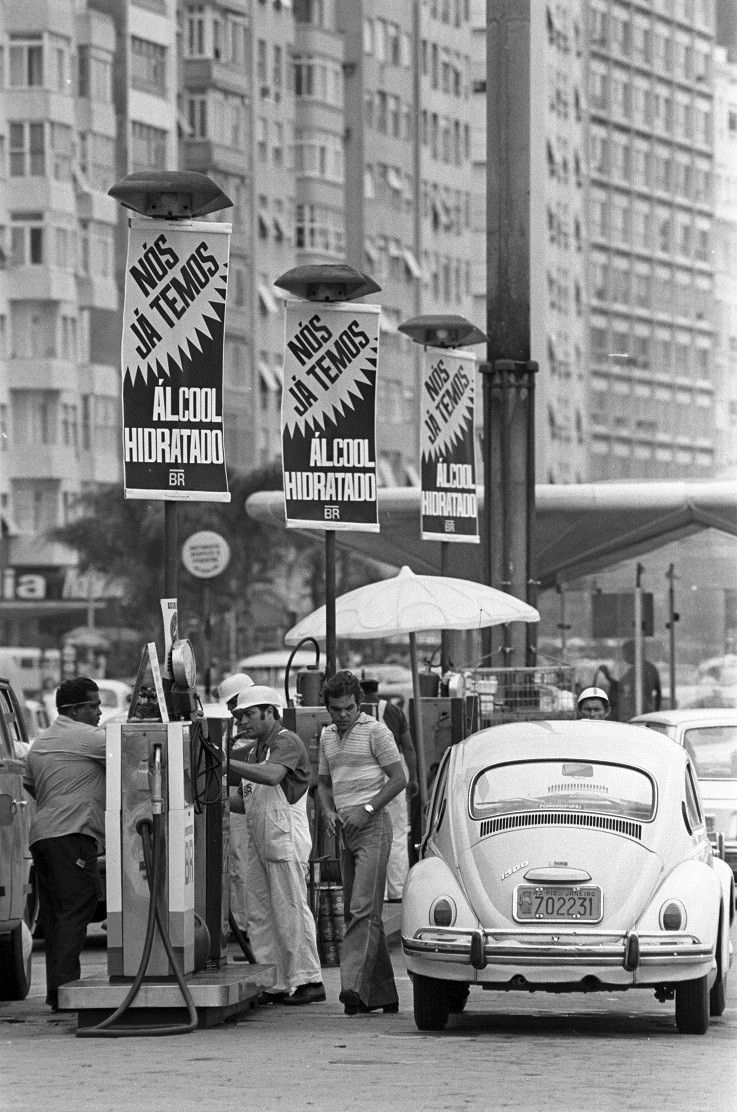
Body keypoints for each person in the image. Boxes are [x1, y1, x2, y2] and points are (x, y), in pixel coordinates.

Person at [228, 685, 325, 1005]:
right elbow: (245, 802)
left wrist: (224, 762)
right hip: (260, 836)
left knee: (290, 908)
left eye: (250, 715)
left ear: (270, 712)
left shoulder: (286, 741)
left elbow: (271, 777)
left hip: (284, 835)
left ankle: (308, 978)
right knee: (260, 912)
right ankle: (274, 980)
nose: (243, 722)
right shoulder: (256, 749)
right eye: (240, 716)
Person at [318, 670, 407, 1016]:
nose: (343, 715)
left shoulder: (376, 731)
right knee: (364, 911)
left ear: (359, 704)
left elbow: (400, 778)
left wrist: (368, 808)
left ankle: (351, 986)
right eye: (337, 709)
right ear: (327, 708)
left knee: (360, 908)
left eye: (349, 708)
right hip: (344, 829)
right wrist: (327, 810)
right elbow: (323, 783)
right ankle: (383, 994)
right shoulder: (326, 736)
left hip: (373, 827)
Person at [22, 677, 106, 1012]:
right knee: (78, 909)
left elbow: (30, 784)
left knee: (57, 916)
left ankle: (57, 993)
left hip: (43, 837)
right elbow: (133, 748)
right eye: (93, 706)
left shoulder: (41, 742)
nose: (99, 712)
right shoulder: (86, 737)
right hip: (72, 835)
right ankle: (68, 992)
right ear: (74, 710)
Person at [360, 679, 419, 900]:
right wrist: (412, 778)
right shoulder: (393, 710)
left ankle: (378, 893)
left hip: (367, 774)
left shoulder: (357, 711)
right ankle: (398, 891)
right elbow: (409, 747)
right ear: (377, 691)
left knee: (370, 835)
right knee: (397, 834)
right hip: (394, 772)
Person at [218, 672, 255, 946]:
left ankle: (248, 927)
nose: (233, 712)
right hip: (236, 797)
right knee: (236, 863)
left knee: (246, 863)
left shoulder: (261, 730)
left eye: (235, 705)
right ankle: (242, 925)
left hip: (255, 797)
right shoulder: (232, 731)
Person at [617, 639, 662, 721]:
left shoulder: (639, 670)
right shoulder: (649, 667)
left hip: (639, 713)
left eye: (626, 654)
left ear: (633, 653)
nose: (624, 657)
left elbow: (625, 690)